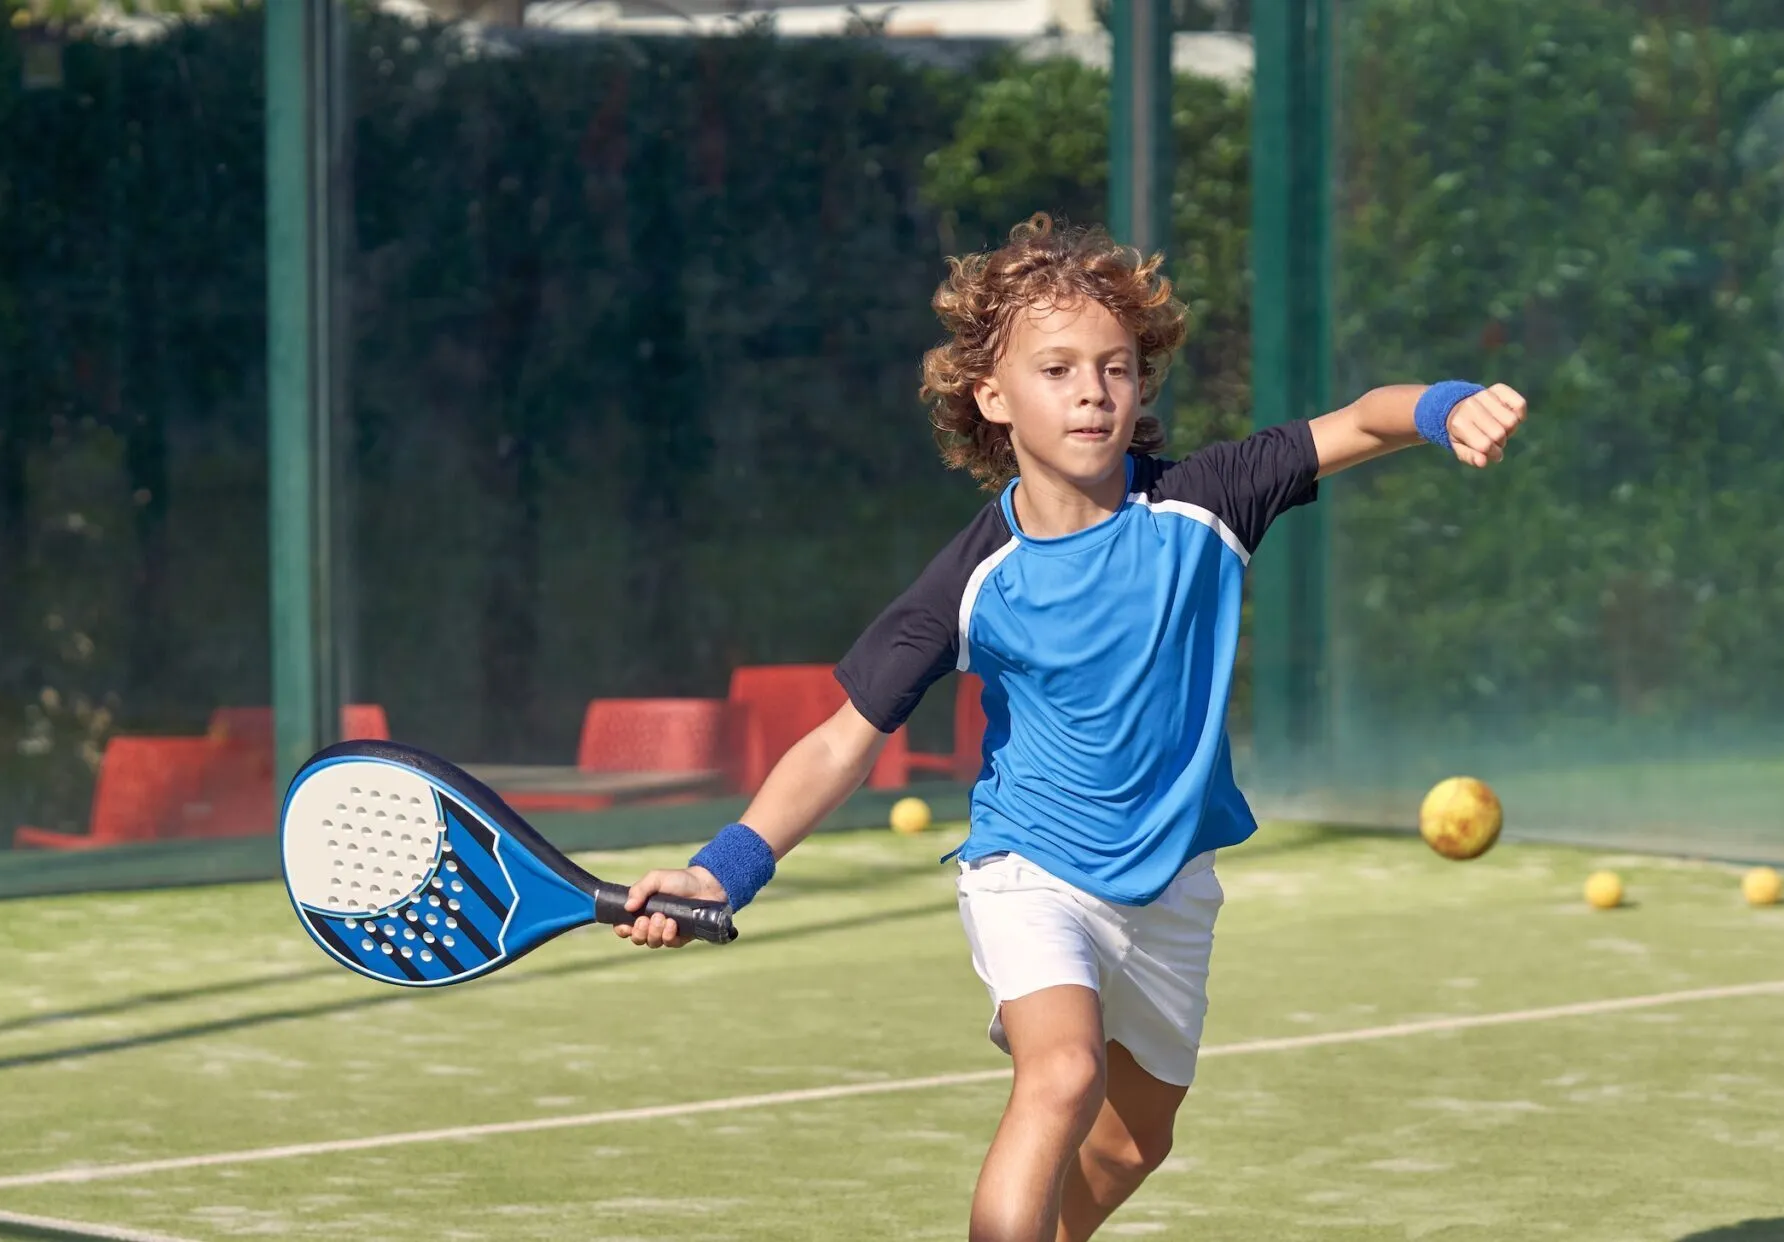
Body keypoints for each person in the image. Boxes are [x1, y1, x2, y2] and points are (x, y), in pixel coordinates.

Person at [614, 214, 1524, 1241]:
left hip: (1174, 879)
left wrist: (1446, 407)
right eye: (1055, 369)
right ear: (991, 398)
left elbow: (1363, 421)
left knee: (1137, 1141)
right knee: (1061, 1075)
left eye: (1115, 366)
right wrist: (722, 870)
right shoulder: (967, 583)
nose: (1091, 390)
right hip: (1031, 867)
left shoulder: (1206, 502)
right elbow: (840, 740)